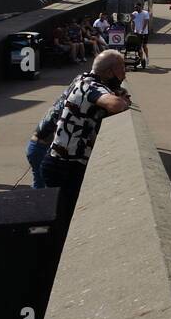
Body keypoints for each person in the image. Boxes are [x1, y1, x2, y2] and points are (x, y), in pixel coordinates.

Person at [40, 50, 132, 226]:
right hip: (63, 167)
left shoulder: (84, 79)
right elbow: (116, 105)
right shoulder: (90, 86)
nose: (124, 74)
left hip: (64, 163)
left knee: (65, 219)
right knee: (62, 222)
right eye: (122, 69)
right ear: (110, 71)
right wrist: (123, 100)